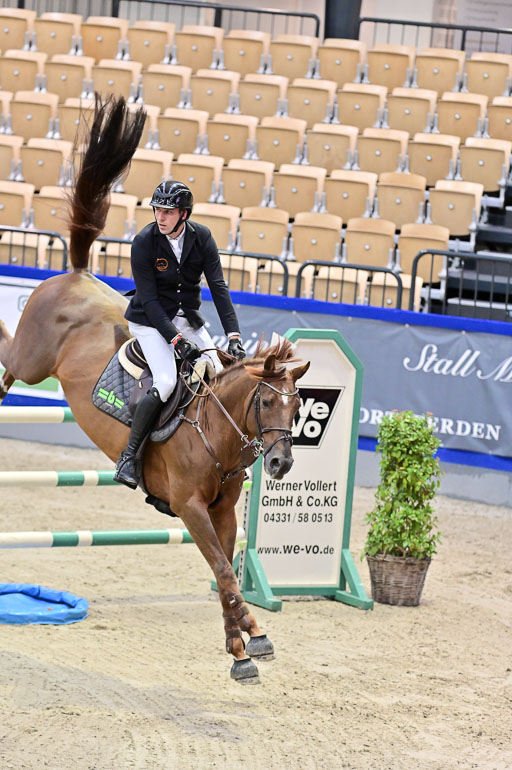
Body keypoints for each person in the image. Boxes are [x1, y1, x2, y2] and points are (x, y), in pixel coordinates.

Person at [113, 180, 246, 489]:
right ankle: (130, 456)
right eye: (158, 210)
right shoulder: (144, 242)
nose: (160, 217)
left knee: (224, 376)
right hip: (150, 322)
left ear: (183, 214)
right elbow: (149, 300)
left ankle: (231, 454)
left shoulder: (202, 237)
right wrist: (175, 340)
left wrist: (234, 336)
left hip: (188, 320)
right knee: (166, 382)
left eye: (168, 212)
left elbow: (218, 287)